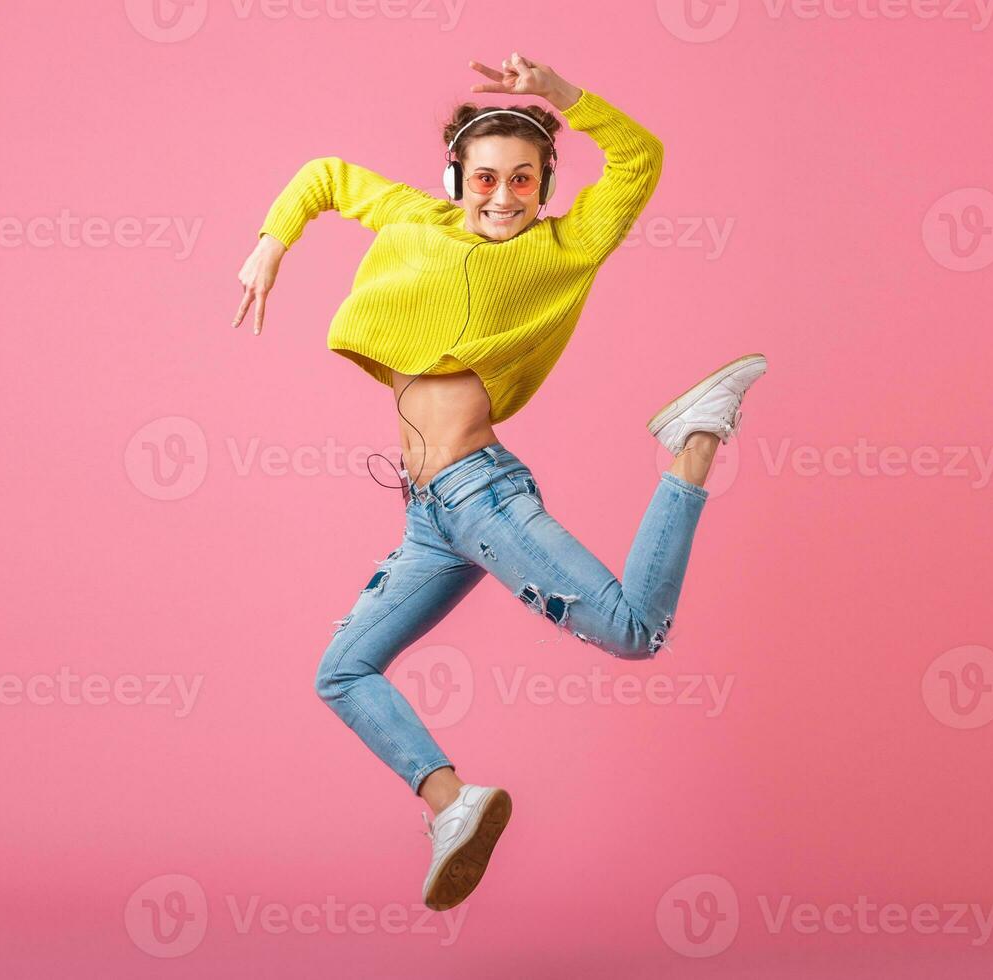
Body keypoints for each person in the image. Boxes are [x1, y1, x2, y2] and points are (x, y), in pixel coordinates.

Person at [231, 52, 768, 912]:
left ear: (546, 185)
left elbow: (640, 160)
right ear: (456, 176)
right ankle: (454, 807)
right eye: (486, 178)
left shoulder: (564, 245)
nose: (503, 197)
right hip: (428, 518)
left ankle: (695, 435)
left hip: (479, 494)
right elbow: (325, 176)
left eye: (524, 180)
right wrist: (271, 244)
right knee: (342, 671)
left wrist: (563, 97)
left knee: (634, 631)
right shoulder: (419, 217)